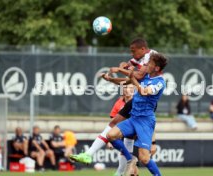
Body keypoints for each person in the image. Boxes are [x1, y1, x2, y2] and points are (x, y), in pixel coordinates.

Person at [70, 38, 157, 169]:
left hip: (146, 102)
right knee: (116, 128)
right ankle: (90, 155)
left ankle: (128, 164)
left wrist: (120, 69)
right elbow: (128, 80)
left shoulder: (152, 56)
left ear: (143, 49)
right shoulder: (136, 60)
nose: (132, 54)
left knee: (143, 155)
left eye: (133, 51)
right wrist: (111, 79)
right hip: (137, 100)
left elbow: (138, 75)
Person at [107, 53, 167, 176]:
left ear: (156, 68)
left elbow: (145, 92)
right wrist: (111, 79)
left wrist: (133, 79)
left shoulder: (160, 82)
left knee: (144, 158)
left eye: (150, 63)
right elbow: (125, 81)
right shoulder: (145, 76)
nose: (147, 65)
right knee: (111, 135)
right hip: (134, 118)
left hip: (145, 121)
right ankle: (131, 159)